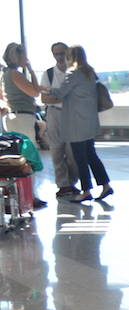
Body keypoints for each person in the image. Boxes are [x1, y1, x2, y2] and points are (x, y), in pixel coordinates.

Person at [51, 45, 113, 204]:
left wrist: (44, 89)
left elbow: (60, 93)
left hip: (76, 124)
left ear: (70, 56)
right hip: (89, 122)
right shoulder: (90, 72)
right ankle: (105, 185)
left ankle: (86, 191)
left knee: (80, 158)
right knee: (91, 155)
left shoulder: (73, 73)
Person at [2, 43, 48, 208]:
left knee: (16, 156)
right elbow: (35, 92)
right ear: (18, 56)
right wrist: (30, 69)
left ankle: (21, 195)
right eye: (24, 56)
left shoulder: (6, 74)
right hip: (22, 117)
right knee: (28, 155)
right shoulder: (15, 74)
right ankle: (30, 197)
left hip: (13, 116)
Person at [40, 42, 80, 197]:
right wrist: (64, 98)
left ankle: (72, 182)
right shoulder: (49, 74)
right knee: (56, 150)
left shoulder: (76, 72)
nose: (60, 57)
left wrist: (57, 96)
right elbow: (45, 98)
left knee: (73, 152)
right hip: (55, 114)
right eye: (56, 54)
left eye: (62, 53)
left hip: (72, 116)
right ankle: (63, 185)